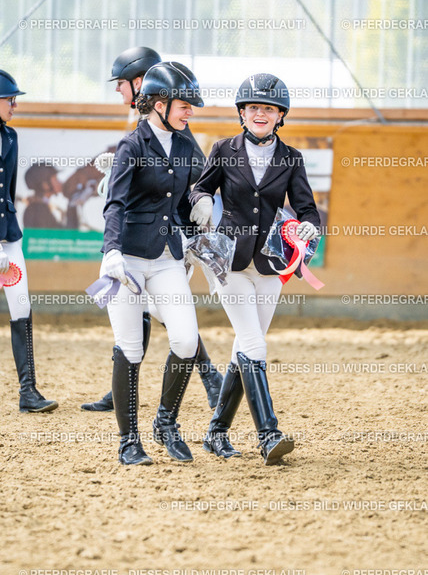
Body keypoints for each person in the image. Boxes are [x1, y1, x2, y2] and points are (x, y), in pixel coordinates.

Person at [81, 47, 222, 412]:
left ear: (140, 83)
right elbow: (125, 193)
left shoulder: (176, 130)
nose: (118, 90)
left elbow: (197, 177)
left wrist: (202, 201)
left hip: (168, 244)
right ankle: (134, 390)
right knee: (145, 314)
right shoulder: (138, 132)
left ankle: (208, 376)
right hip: (134, 246)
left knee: (166, 317)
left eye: (121, 83)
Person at [189, 73, 321, 465]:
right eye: (253, 107)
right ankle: (269, 434)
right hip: (230, 261)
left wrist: (309, 226)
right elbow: (201, 188)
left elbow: (307, 207)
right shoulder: (223, 149)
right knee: (254, 343)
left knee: (245, 346)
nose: (260, 113)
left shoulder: (291, 158)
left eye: (268, 108)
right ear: (242, 113)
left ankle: (216, 433)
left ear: (280, 115)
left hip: (270, 264)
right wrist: (200, 201)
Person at [102, 60, 206, 465]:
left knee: (186, 341)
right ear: (160, 104)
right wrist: (111, 251)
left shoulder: (184, 146)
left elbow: (182, 198)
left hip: (166, 259)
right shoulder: (131, 145)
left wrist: (199, 207)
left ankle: (165, 423)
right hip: (126, 260)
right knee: (130, 347)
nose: (190, 112)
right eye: (184, 105)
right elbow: (115, 204)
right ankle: (129, 441)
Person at [0, 69, 58, 412]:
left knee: (21, 306)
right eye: (10, 100)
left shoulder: (11, 137)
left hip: (8, 236)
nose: (15, 106)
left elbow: (7, 191)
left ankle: (28, 392)